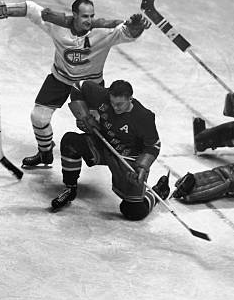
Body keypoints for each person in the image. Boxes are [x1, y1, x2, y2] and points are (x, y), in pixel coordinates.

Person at [0, 0, 150, 167]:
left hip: (90, 86)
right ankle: (45, 153)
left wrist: (136, 29)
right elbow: (31, 9)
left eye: (92, 16)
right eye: (85, 16)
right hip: (60, 79)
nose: (89, 20)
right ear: (75, 15)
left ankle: (116, 161)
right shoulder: (57, 25)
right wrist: (5, 9)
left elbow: (128, 33)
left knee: (97, 126)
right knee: (38, 118)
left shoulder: (104, 31)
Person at [52, 79, 169, 220]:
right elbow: (78, 86)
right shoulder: (102, 95)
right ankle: (70, 189)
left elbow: (153, 145)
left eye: (119, 104)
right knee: (70, 141)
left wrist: (142, 166)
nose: (115, 108)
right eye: (112, 103)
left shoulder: (144, 117)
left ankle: (157, 192)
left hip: (127, 157)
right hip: (103, 144)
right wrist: (84, 115)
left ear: (130, 99)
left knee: (133, 211)